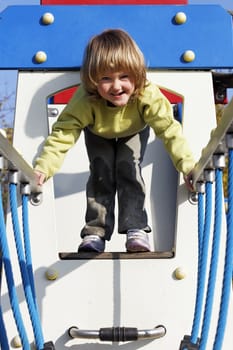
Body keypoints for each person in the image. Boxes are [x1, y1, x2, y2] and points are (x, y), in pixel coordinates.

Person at [34, 29, 195, 253]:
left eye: (124, 77)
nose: (116, 86)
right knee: (101, 173)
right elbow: (63, 134)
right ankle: (95, 231)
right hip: (98, 131)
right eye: (106, 79)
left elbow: (169, 129)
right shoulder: (85, 99)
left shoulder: (147, 94)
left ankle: (136, 227)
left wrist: (186, 165)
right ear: (93, 81)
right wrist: (43, 167)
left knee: (129, 169)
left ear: (137, 75)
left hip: (134, 129)